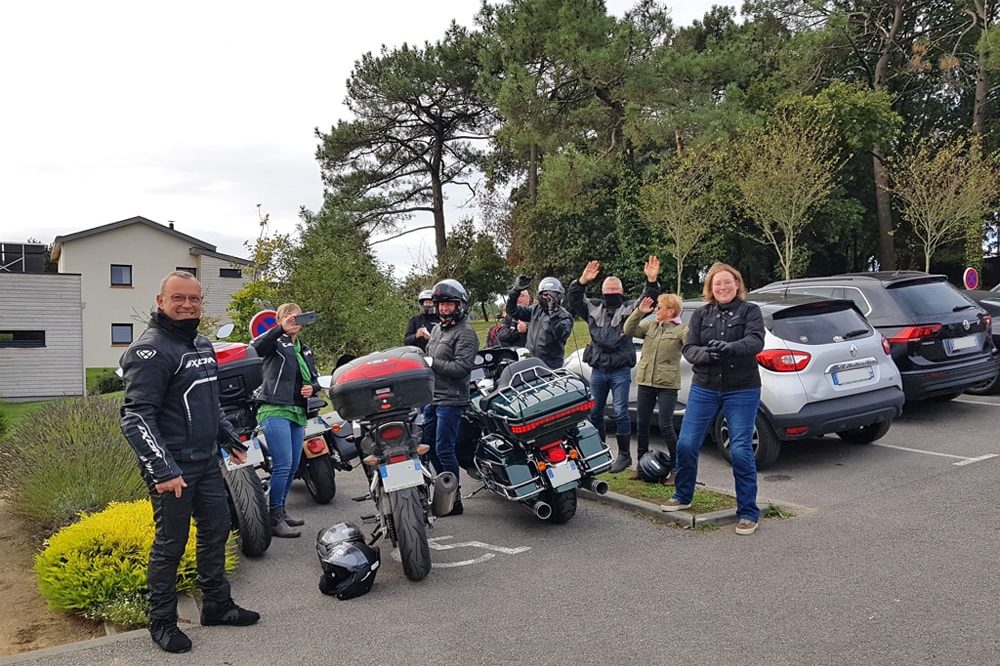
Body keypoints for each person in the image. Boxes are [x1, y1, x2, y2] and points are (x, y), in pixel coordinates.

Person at [119, 271, 259, 654]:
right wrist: (163, 469)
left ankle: (217, 605)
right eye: (178, 298)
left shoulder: (200, 345)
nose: (187, 304)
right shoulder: (149, 350)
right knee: (171, 545)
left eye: (194, 299)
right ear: (160, 300)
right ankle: (161, 622)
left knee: (216, 531)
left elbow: (210, 404)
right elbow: (136, 417)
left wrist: (229, 439)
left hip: (206, 462)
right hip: (173, 468)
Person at [661, 262, 764, 536]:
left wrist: (731, 348)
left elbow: (756, 341)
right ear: (710, 288)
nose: (723, 287)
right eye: (717, 284)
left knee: (741, 450)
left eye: (728, 283)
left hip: (742, 388)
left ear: (737, 285)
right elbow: (690, 348)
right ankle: (684, 495)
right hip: (705, 388)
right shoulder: (701, 315)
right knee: (686, 443)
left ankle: (748, 512)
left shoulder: (750, 311)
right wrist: (706, 355)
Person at [567, 257, 660, 473]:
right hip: (598, 369)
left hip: (620, 370)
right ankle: (598, 451)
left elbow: (648, 300)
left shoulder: (628, 307)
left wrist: (652, 281)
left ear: (621, 290)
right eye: (607, 289)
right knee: (595, 412)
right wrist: (581, 281)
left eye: (614, 289)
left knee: (620, 412)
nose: (610, 293)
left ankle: (625, 455)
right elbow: (574, 299)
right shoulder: (593, 307)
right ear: (601, 290)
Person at [250, 302, 321, 538]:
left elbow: (315, 379)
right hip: (274, 407)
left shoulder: (305, 349)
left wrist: (312, 387)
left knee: (292, 465)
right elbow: (255, 348)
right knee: (282, 464)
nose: (295, 321)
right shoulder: (274, 344)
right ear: (280, 320)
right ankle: (274, 518)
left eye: (298, 317)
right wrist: (280, 329)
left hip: (297, 411)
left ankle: (279, 511)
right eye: (290, 318)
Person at [422, 279, 479, 516]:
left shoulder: (466, 333)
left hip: (452, 399)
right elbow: (427, 355)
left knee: (445, 449)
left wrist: (432, 363)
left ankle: (454, 500)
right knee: (429, 448)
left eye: (449, 304)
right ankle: (444, 490)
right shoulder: (437, 330)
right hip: (432, 397)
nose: (445, 309)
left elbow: (462, 368)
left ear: (460, 306)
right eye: (441, 304)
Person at [623, 293, 687, 483]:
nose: (656, 310)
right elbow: (628, 330)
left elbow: (691, 343)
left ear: (670, 311)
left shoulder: (681, 329)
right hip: (645, 382)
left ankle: (676, 469)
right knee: (642, 424)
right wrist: (639, 312)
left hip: (667, 384)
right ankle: (641, 465)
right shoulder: (651, 325)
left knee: (665, 425)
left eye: (659, 307)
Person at [504, 276, 574, 369]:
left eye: (550, 294)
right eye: (544, 294)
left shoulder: (564, 315)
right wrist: (515, 291)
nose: (547, 297)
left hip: (551, 365)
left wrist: (553, 313)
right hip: (530, 360)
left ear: (558, 295)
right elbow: (512, 310)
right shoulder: (535, 309)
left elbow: (562, 334)